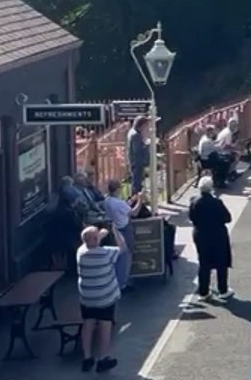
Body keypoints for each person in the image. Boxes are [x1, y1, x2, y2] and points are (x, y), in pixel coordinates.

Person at [76, 225, 124, 373]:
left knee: (88, 324)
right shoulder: (106, 253)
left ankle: (87, 358)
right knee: (105, 327)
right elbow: (122, 247)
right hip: (105, 298)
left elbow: (88, 241)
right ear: (96, 239)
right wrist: (115, 230)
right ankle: (103, 359)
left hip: (87, 297)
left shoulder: (81, 253)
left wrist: (99, 235)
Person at [188, 177, 234, 300]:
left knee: (203, 262)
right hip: (217, 234)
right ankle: (222, 289)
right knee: (221, 261)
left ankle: (203, 291)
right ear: (211, 188)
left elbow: (192, 217)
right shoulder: (216, 202)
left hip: (200, 234)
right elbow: (227, 218)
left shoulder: (194, 202)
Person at [100, 178, 134, 290]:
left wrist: (129, 202)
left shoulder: (107, 200)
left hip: (114, 229)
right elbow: (133, 212)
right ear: (118, 189)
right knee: (126, 256)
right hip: (124, 228)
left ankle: (117, 280)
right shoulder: (118, 203)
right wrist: (140, 200)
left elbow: (123, 207)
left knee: (116, 257)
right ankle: (123, 282)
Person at [126, 117, 151, 194]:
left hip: (135, 162)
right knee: (137, 184)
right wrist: (146, 144)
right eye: (146, 125)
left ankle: (138, 200)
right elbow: (137, 150)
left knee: (137, 183)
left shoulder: (133, 132)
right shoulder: (136, 135)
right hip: (137, 163)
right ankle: (136, 201)